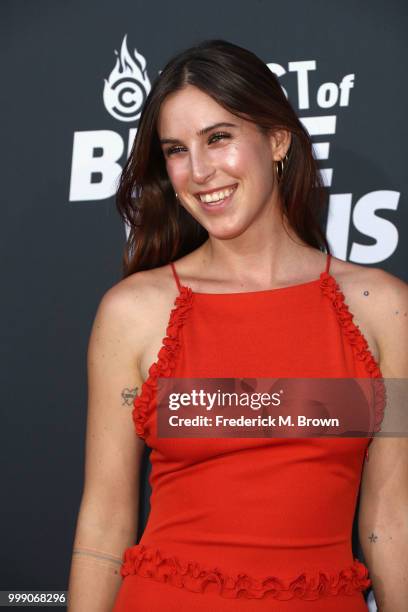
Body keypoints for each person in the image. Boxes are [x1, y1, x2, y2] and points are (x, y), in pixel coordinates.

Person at [67, 40, 408, 611]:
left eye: (218, 137)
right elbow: (105, 521)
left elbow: (391, 518)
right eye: (176, 150)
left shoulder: (383, 309)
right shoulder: (134, 311)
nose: (198, 172)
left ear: (277, 140)